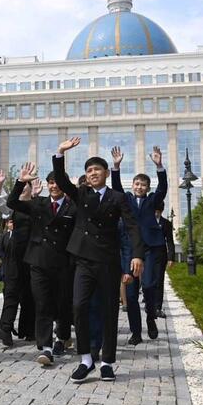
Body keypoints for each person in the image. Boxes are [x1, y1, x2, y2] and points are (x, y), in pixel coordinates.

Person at [52, 137, 144, 383]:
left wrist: (137, 254)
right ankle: (86, 359)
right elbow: (61, 180)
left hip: (108, 261)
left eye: (97, 169)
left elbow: (133, 227)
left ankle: (107, 363)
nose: (92, 173)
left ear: (106, 173)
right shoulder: (81, 193)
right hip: (83, 260)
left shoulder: (118, 198)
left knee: (109, 311)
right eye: (89, 170)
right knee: (79, 306)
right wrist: (60, 152)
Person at [7, 163, 77, 366]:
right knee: (43, 302)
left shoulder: (73, 207)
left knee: (63, 303)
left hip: (63, 262)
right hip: (38, 260)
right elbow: (12, 202)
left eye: (57, 182)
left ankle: (62, 337)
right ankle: (46, 346)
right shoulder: (38, 203)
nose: (54, 186)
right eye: (51, 182)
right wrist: (21, 182)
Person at [110, 145, 168, 342]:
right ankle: (136, 332)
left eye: (143, 185)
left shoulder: (152, 200)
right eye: (137, 184)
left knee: (150, 285)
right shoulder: (125, 199)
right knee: (131, 293)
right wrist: (116, 167)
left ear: (147, 188)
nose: (139, 187)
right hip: (129, 249)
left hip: (150, 248)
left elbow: (162, 189)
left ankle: (151, 317)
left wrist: (159, 166)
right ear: (132, 185)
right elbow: (116, 188)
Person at [0, 169, 36, 346]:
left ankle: (28, 329)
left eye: (26, 186)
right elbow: (1, 203)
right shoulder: (13, 206)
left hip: (32, 256)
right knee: (11, 293)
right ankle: (5, 329)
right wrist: (0, 185)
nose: (23, 188)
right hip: (13, 257)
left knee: (29, 295)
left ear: (32, 188)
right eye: (21, 186)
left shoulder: (38, 206)